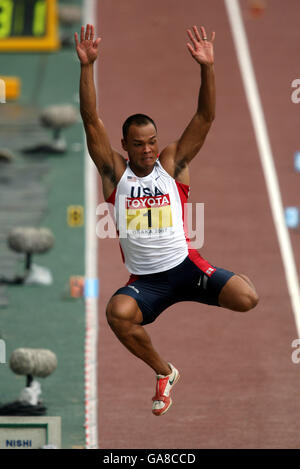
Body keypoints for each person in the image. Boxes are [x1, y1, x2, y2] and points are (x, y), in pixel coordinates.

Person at [75, 24, 259, 416]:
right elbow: (91, 120)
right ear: (124, 145)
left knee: (248, 300)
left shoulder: (172, 166)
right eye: (138, 144)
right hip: (148, 282)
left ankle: (225, 274)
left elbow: (205, 117)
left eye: (152, 142)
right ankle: (164, 372)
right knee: (117, 315)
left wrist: (207, 68)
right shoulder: (114, 172)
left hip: (187, 267)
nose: (147, 150)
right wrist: (87, 67)